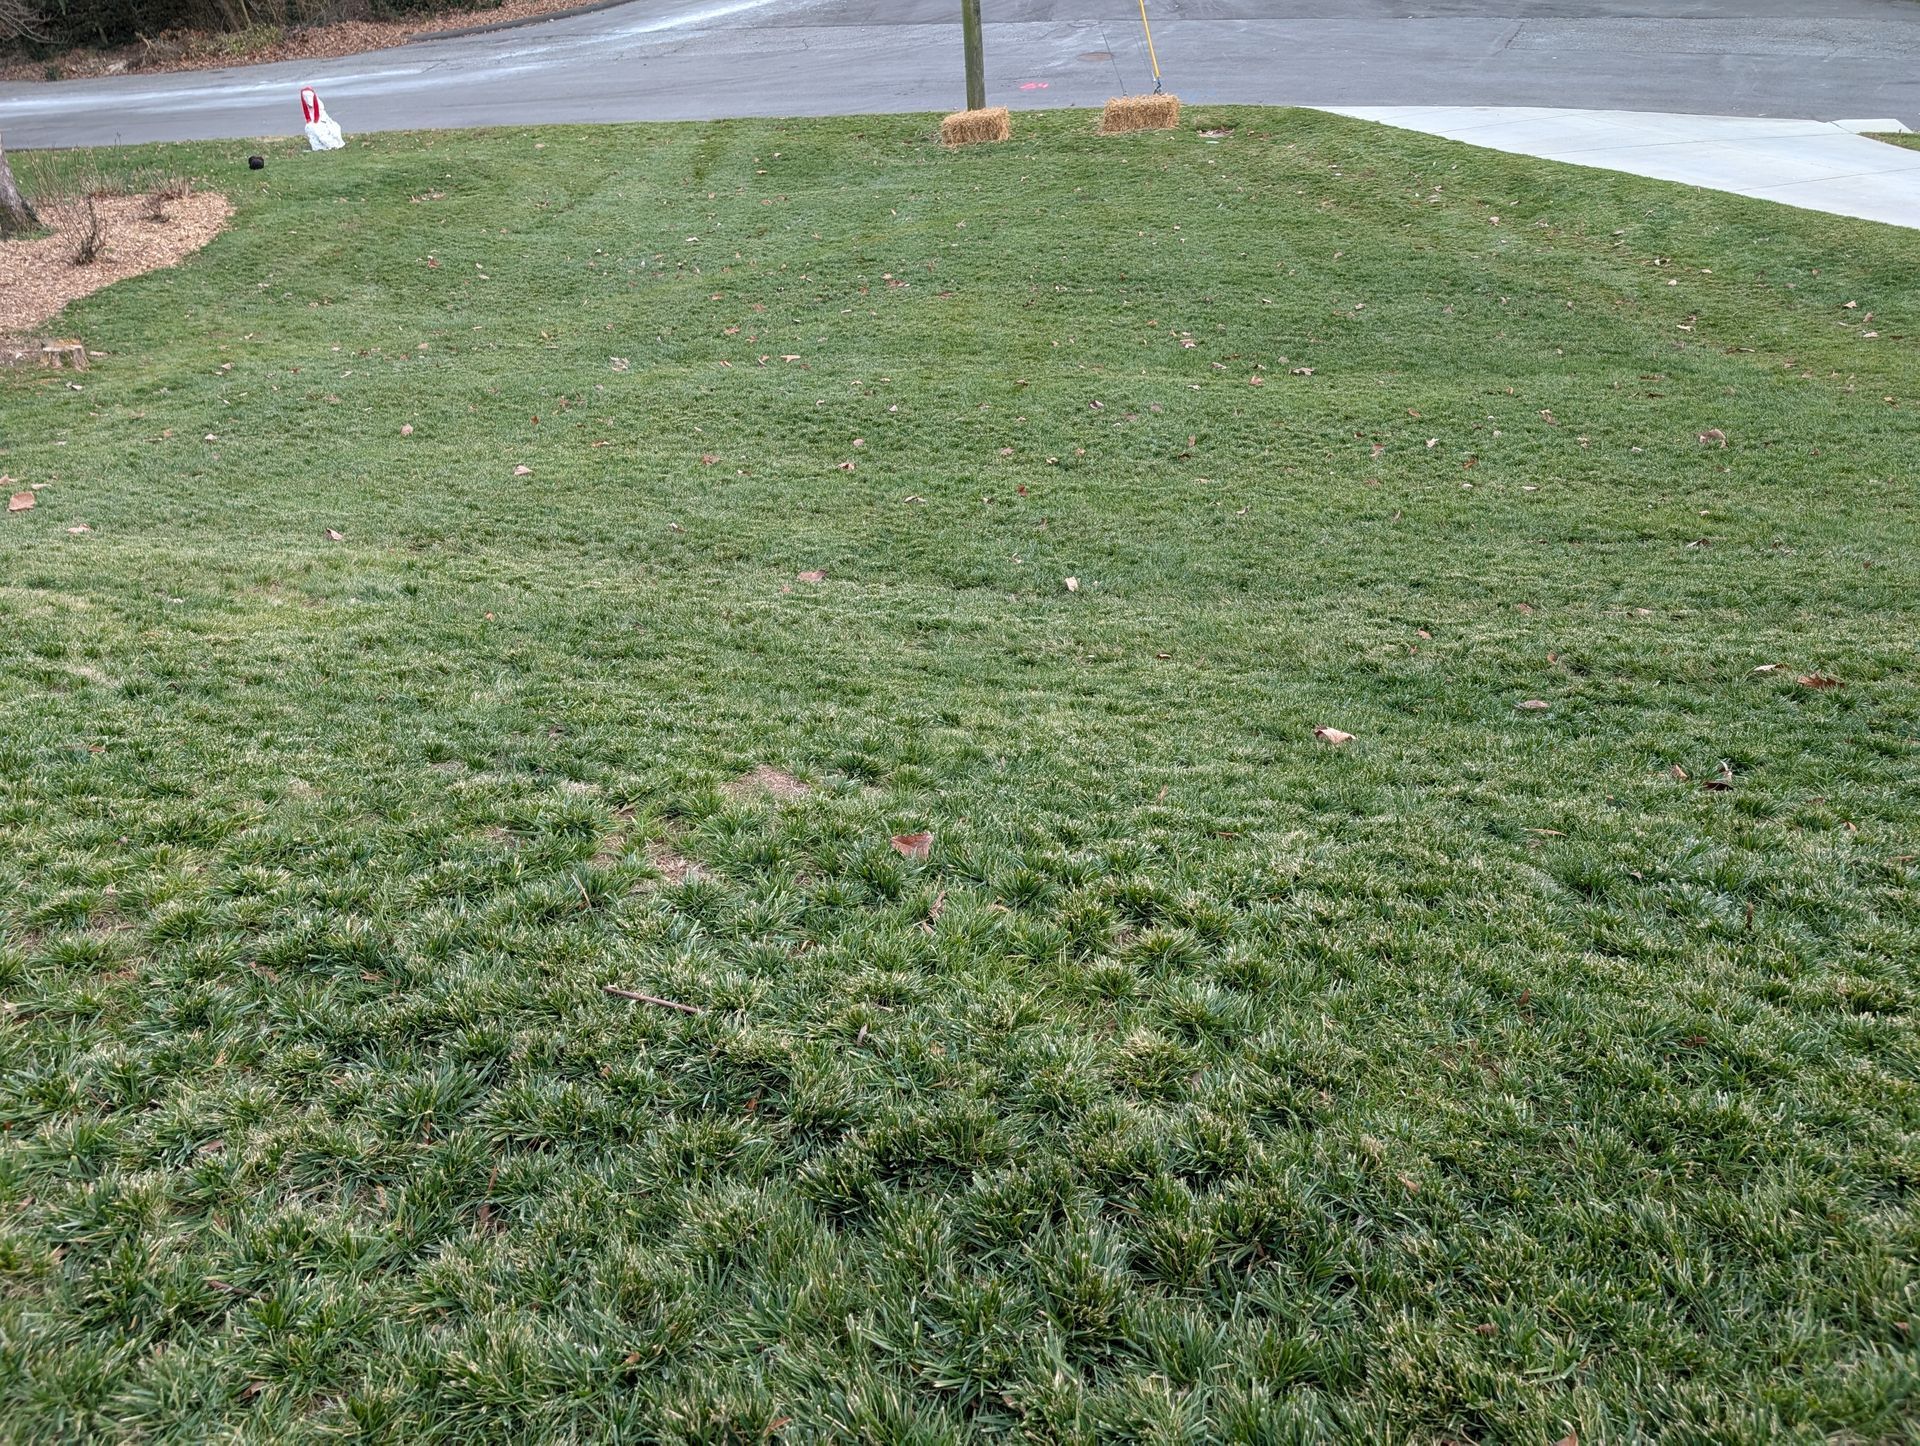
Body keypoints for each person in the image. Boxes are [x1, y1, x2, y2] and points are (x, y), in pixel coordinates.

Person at [301, 87, 346, 151]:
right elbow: (310, 116)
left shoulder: (319, 105)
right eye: (305, 97)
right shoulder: (308, 107)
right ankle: (318, 146)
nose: (308, 99)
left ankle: (331, 145)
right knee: (311, 130)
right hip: (313, 124)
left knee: (322, 133)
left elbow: (321, 116)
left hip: (322, 122)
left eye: (309, 96)